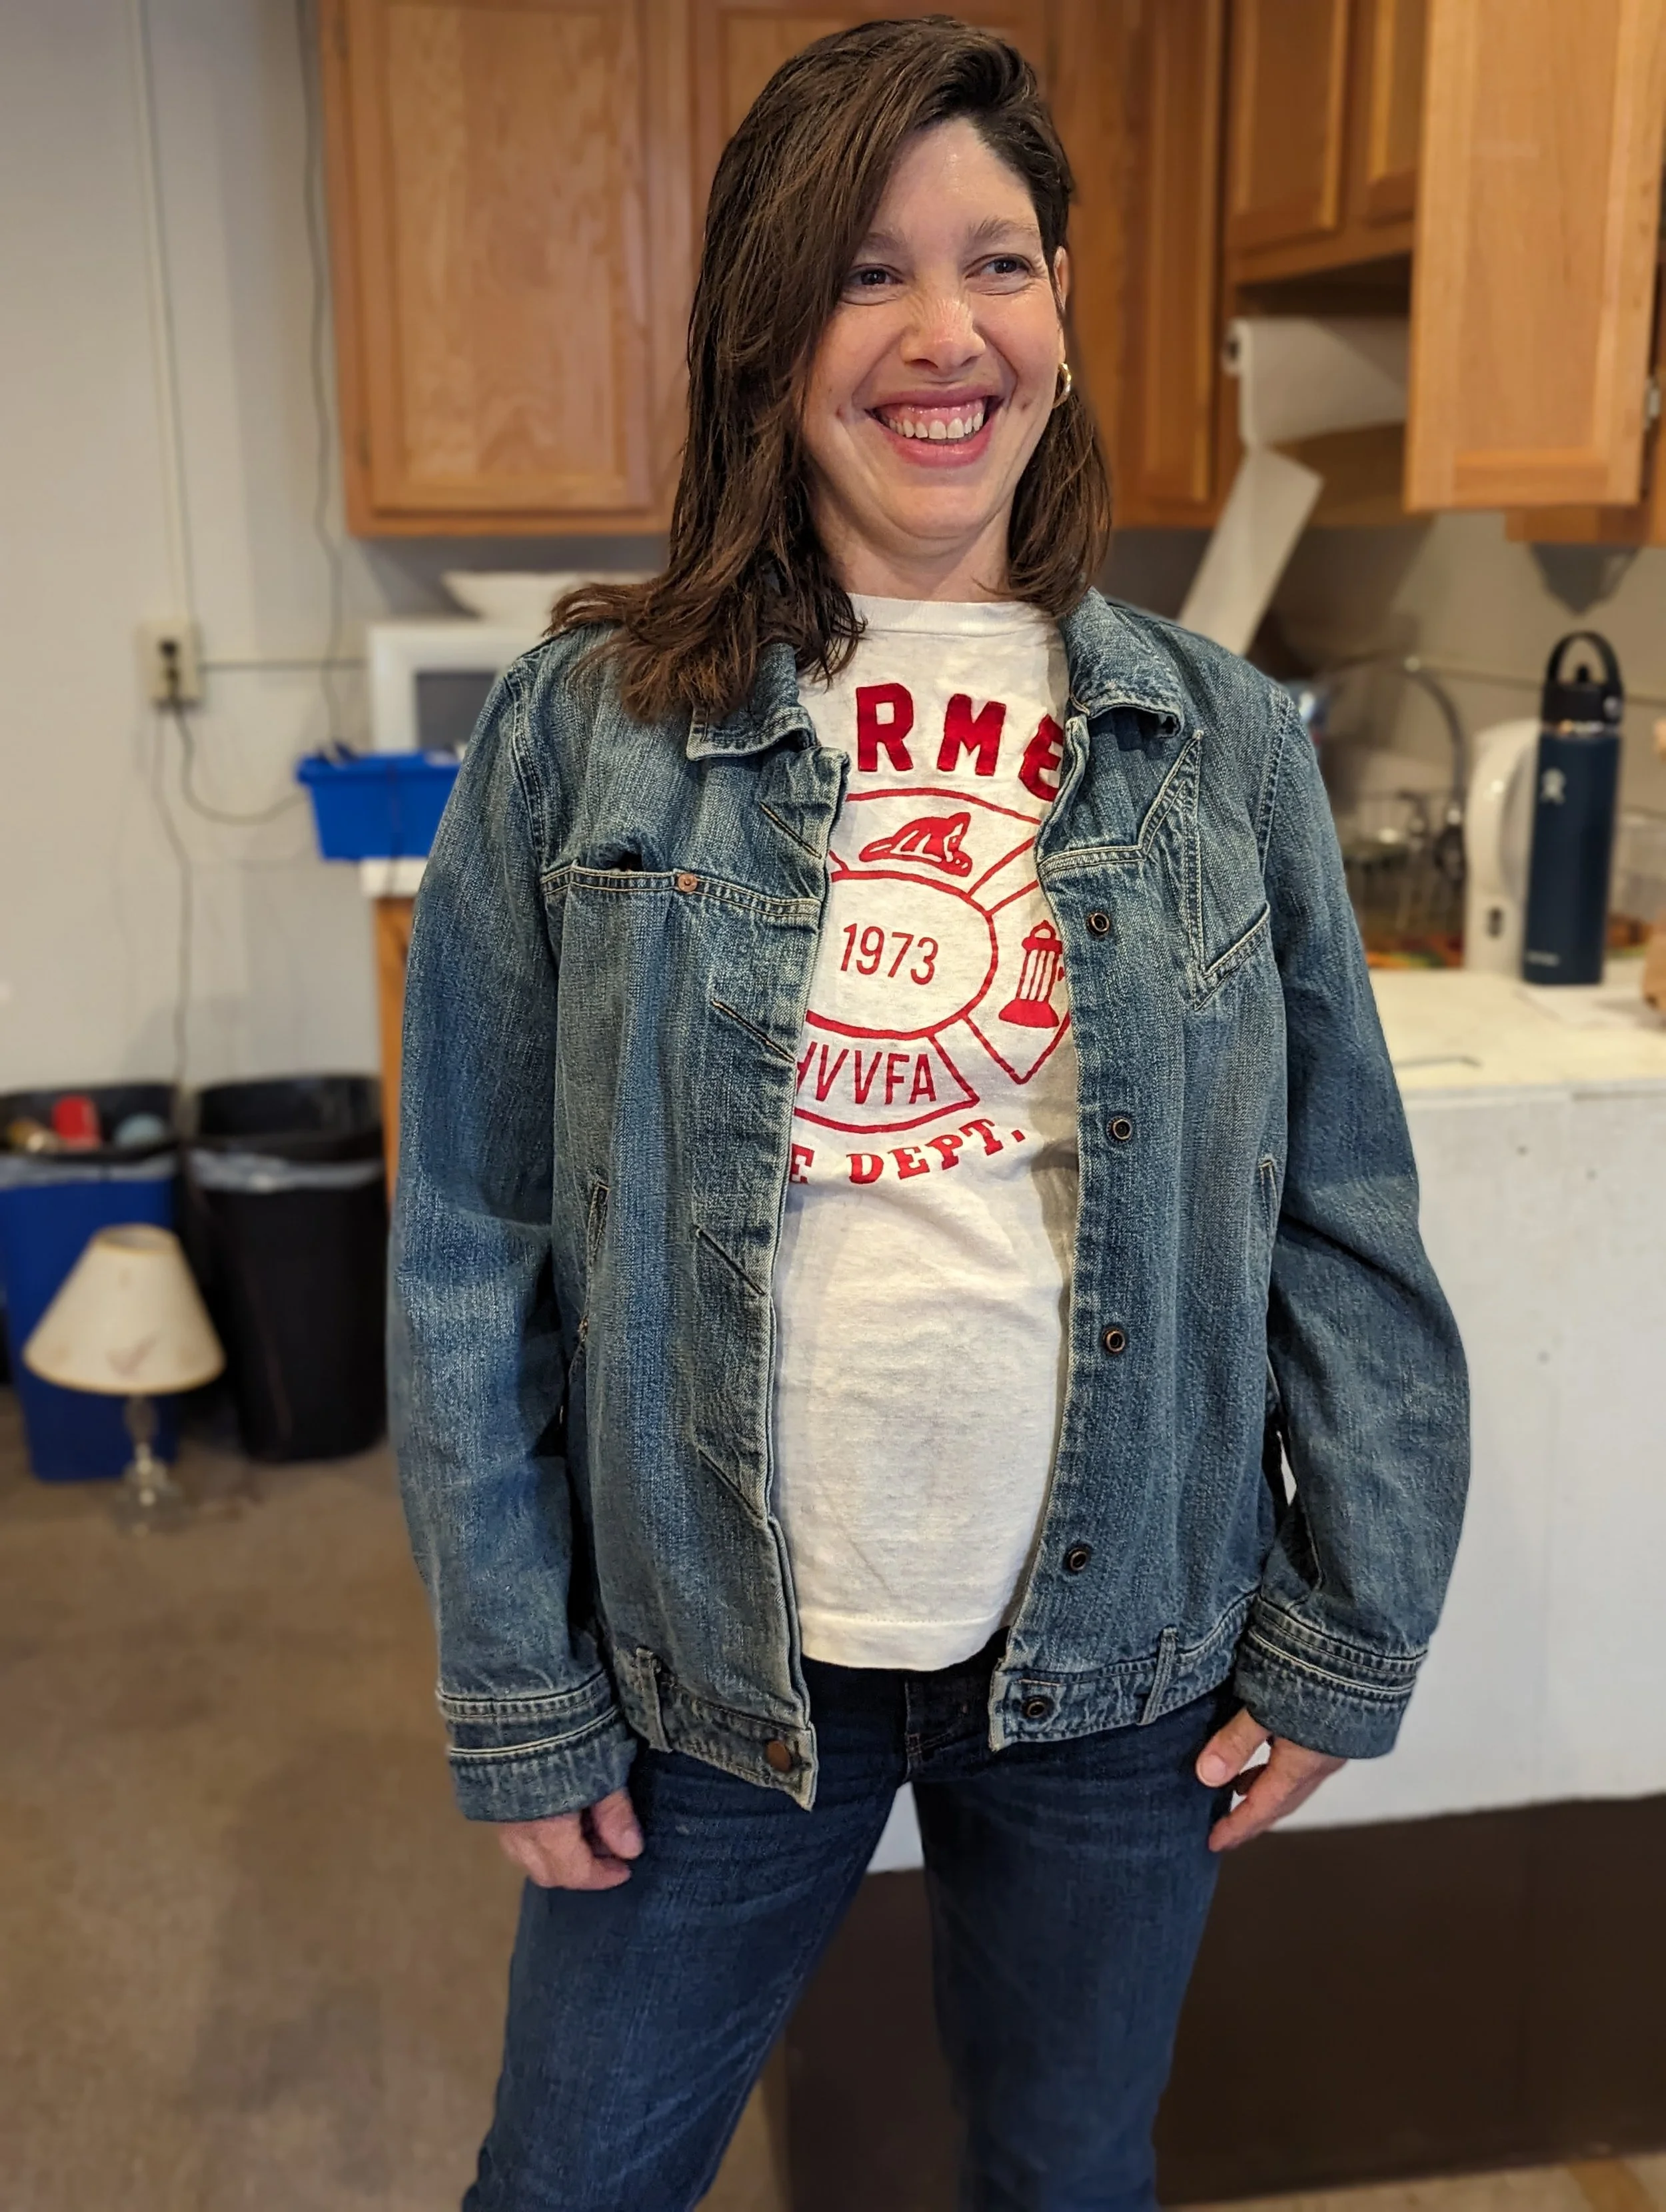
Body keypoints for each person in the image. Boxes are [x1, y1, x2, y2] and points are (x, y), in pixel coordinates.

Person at [390, 20, 1469, 2212]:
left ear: (1061, 307)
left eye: (998, 261)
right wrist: (516, 1678)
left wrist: (1350, 1625)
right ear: (762, 329)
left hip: (1118, 1657)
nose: (943, 333)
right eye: (867, 271)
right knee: (567, 2180)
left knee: (1068, 2175)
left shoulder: (1220, 742)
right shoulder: (580, 725)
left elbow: (1339, 1212)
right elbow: (467, 1233)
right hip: (700, 1661)